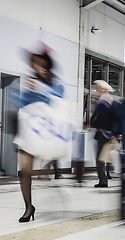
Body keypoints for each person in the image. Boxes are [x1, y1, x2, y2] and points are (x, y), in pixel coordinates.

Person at [17, 49, 64, 222]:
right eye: (35, 63)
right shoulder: (30, 81)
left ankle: (49, 164)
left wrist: (41, 89)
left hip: (47, 132)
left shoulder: (55, 83)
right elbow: (20, 102)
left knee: (40, 166)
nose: (37, 67)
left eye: (41, 64)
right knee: (25, 171)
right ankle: (29, 207)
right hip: (28, 131)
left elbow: (58, 100)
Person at [90, 80, 120, 188]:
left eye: (98, 88)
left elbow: (118, 119)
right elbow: (94, 118)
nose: (96, 90)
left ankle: (105, 179)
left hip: (110, 134)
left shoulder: (115, 104)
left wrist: (117, 133)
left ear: (104, 89)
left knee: (104, 158)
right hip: (102, 134)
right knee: (101, 158)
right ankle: (103, 180)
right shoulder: (100, 102)